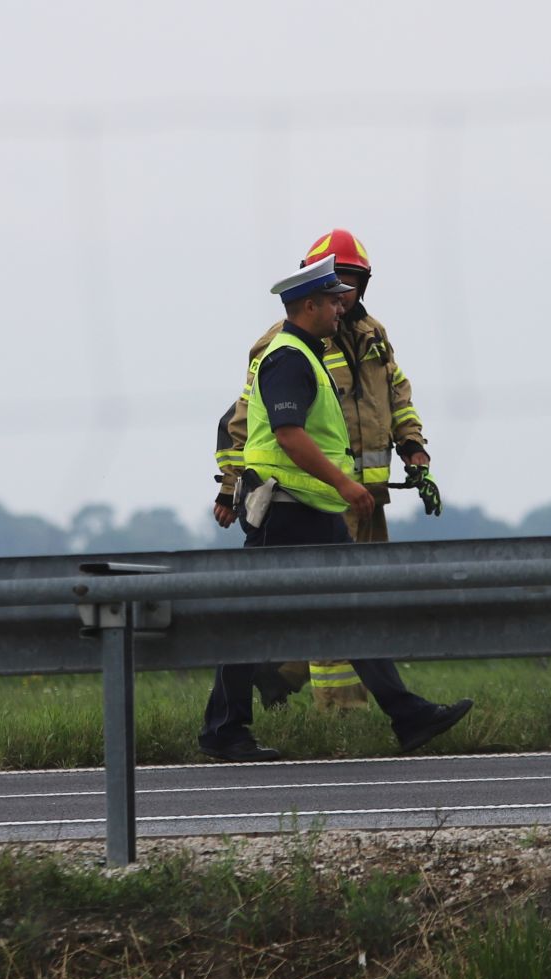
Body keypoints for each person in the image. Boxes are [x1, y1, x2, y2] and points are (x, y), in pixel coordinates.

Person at [197, 254, 472, 762]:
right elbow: (289, 435)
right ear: (308, 305)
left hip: (309, 507)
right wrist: (346, 485)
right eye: (330, 301)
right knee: (255, 618)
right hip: (284, 506)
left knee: (349, 609)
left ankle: (406, 714)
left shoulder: (310, 353)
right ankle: (225, 730)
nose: (340, 309)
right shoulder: (287, 358)